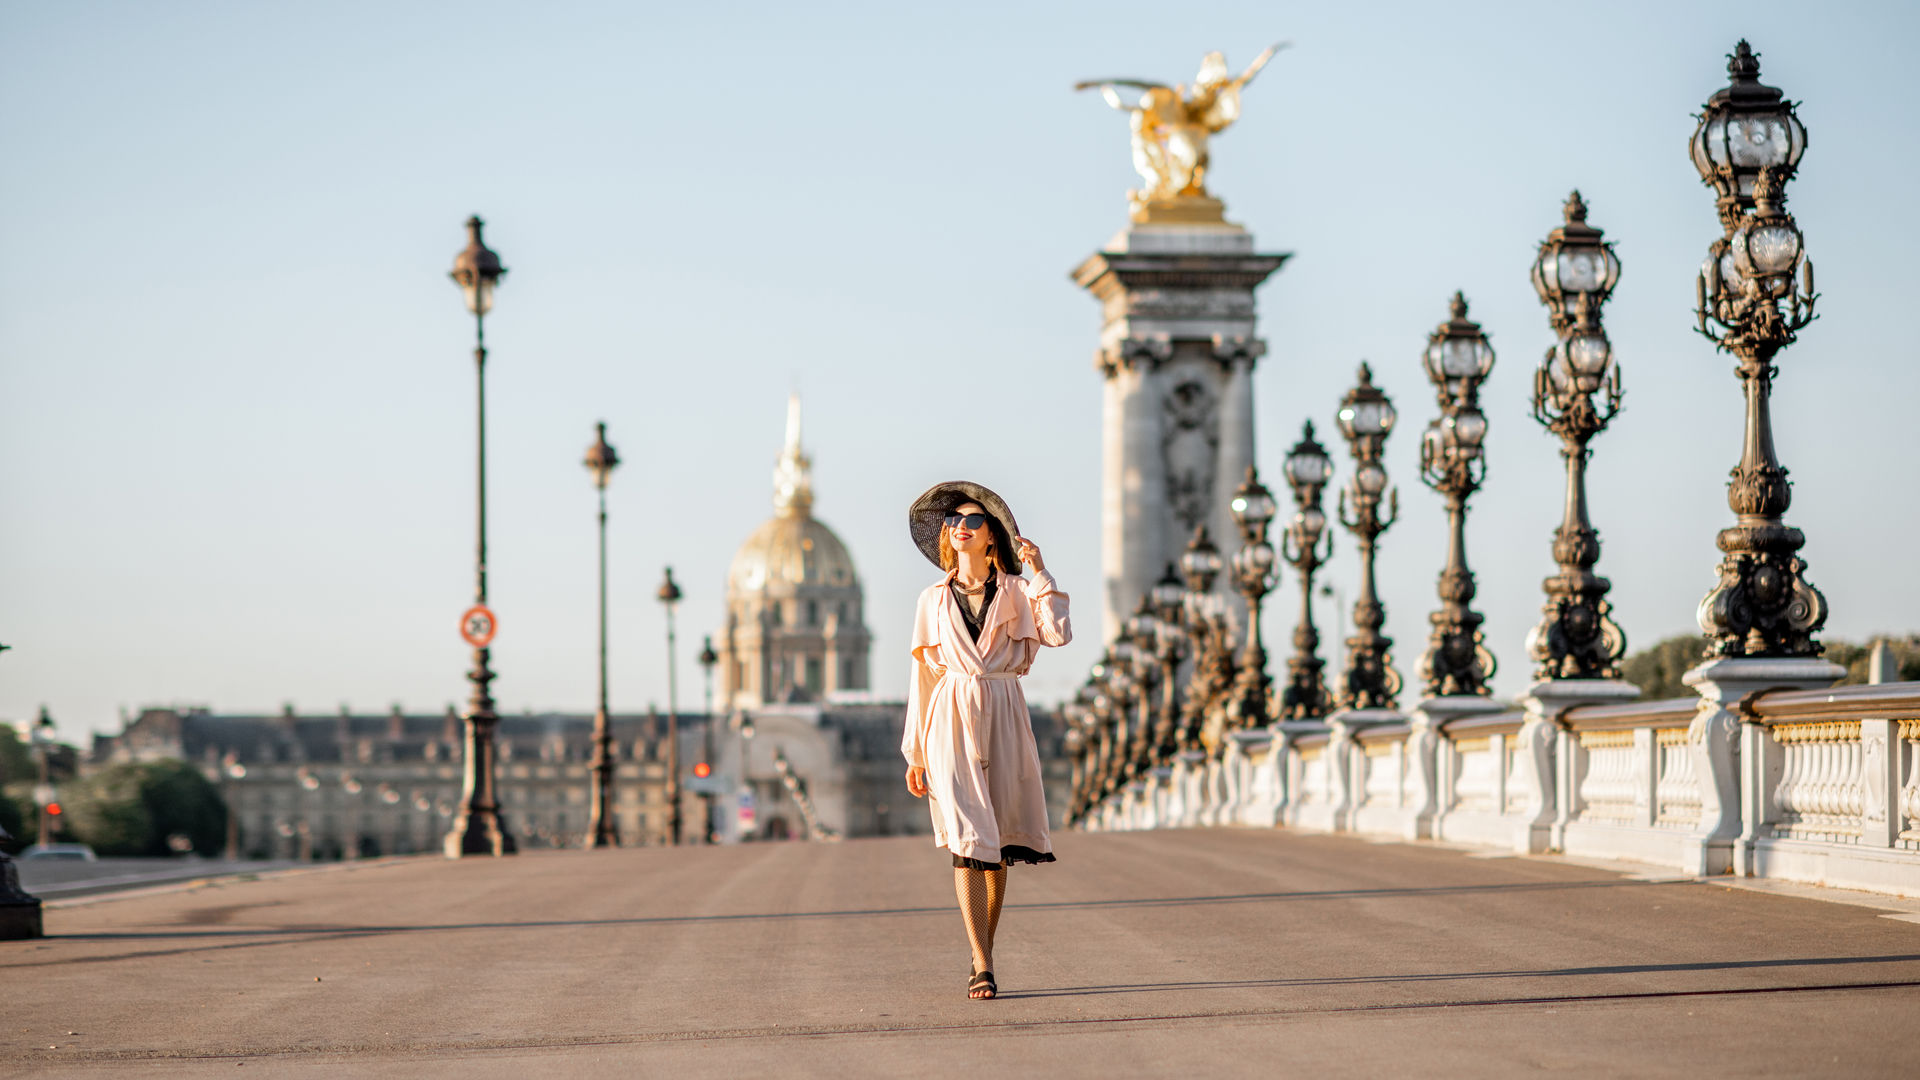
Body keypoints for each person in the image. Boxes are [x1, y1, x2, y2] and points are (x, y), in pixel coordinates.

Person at [902, 481, 1072, 1001]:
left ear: (991, 537)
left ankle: (985, 950)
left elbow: (1058, 634)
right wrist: (915, 751)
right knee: (967, 838)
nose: (959, 527)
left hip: (1002, 709)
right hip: (951, 713)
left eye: (971, 520)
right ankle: (981, 959)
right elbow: (924, 680)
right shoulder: (931, 600)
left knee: (995, 846)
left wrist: (1039, 571)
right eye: (953, 521)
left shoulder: (1020, 592)